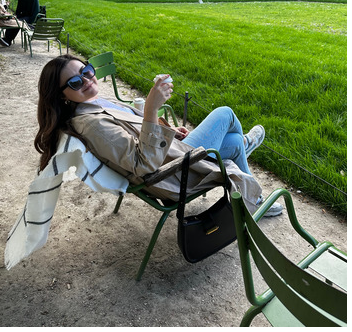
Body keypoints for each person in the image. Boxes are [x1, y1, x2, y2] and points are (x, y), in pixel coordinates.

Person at [34, 54, 283, 216]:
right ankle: (251, 173)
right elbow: (144, 164)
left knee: (234, 143)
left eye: (86, 70)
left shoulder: (92, 104)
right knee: (225, 114)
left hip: (170, 152)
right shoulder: (92, 124)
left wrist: (169, 129)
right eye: (75, 82)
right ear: (62, 96)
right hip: (173, 172)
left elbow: (134, 129)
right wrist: (152, 108)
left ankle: (254, 192)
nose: (87, 80)